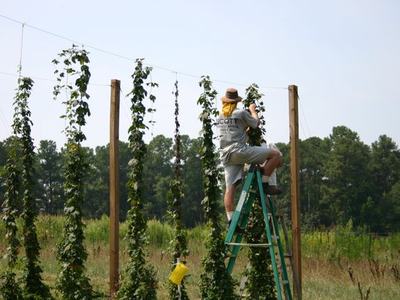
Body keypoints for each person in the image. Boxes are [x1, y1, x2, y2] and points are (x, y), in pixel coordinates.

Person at [216, 88, 283, 224]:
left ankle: (230, 219)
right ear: (236, 101)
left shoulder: (220, 116)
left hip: (226, 155)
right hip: (240, 151)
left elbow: (235, 132)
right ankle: (264, 184)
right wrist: (253, 110)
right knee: (276, 155)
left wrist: (245, 131)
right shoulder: (240, 112)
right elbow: (256, 123)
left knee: (230, 188)